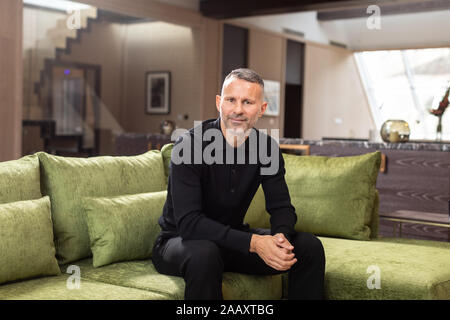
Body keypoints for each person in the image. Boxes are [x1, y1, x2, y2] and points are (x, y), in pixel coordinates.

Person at [152, 68, 325, 300]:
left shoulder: (266, 149)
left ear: (261, 109)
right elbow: (189, 224)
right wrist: (254, 243)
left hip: (232, 241)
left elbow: (282, 207)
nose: (237, 110)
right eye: (230, 100)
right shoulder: (189, 146)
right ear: (219, 103)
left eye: (247, 102)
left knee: (308, 247)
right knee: (205, 253)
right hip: (180, 242)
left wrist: (279, 239)